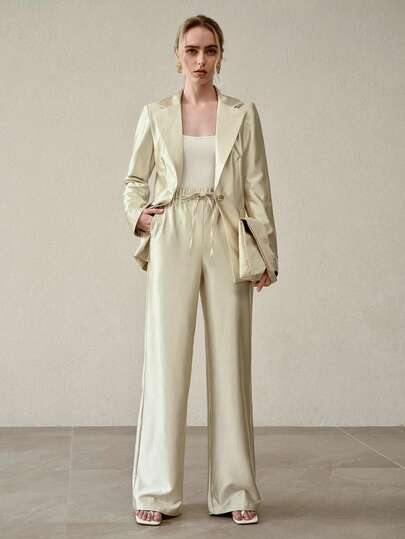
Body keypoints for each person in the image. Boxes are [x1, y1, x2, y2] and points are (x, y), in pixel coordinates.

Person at [123, 14, 279, 527]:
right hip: (173, 232)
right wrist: (139, 215)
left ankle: (235, 488)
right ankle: (156, 489)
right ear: (177, 56)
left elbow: (257, 188)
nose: (200, 60)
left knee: (231, 362)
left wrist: (266, 253)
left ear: (220, 56)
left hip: (226, 233)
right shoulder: (156, 113)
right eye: (191, 51)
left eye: (210, 51)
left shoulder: (242, 113)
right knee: (164, 362)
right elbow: (134, 180)